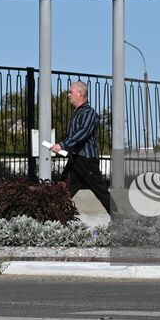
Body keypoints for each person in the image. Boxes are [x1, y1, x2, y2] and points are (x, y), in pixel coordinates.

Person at [49, 80, 119, 219]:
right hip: (75, 160)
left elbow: (83, 133)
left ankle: (122, 222)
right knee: (63, 191)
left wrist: (62, 145)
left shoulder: (89, 113)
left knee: (101, 192)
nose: (68, 95)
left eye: (71, 92)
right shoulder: (77, 113)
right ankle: (54, 222)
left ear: (80, 93)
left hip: (86, 161)